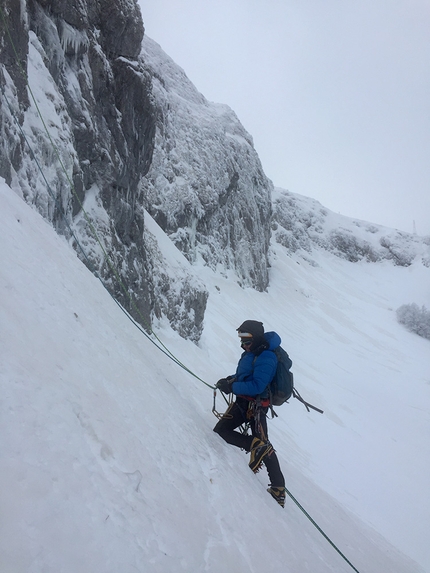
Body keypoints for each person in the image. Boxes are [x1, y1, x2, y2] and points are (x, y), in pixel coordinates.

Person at [213, 320, 286, 507]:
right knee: (222, 431)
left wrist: (232, 386)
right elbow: (246, 376)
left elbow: (257, 386)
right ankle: (255, 446)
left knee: (264, 445)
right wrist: (230, 381)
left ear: (256, 338)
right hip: (243, 403)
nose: (243, 344)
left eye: (246, 340)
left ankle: (278, 489)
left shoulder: (267, 357)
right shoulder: (251, 353)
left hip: (256, 407)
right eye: (241, 339)